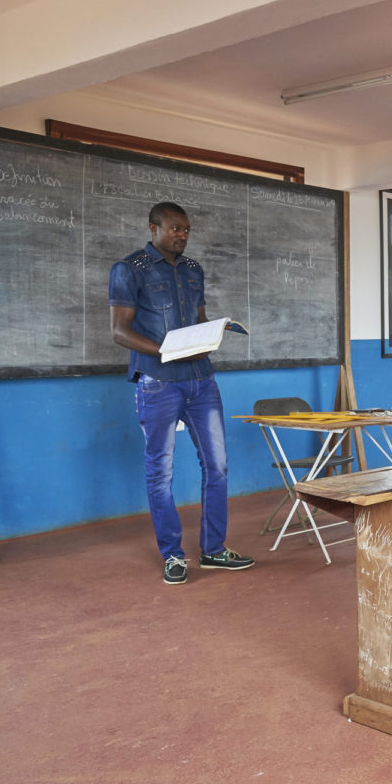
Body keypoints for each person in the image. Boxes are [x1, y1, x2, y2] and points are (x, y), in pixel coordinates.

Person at [108, 202, 254, 585]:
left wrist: (213, 332)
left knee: (217, 465)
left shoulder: (193, 270)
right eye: (175, 229)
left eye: (186, 230)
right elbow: (120, 332)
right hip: (157, 382)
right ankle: (173, 555)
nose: (182, 236)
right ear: (153, 227)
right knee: (162, 471)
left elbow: (199, 319)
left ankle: (214, 549)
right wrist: (167, 352)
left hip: (201, 380)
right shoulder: (128, 270)